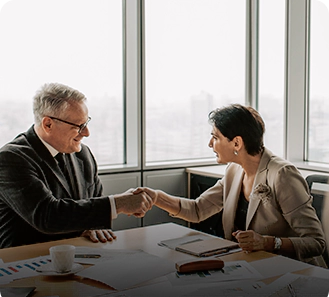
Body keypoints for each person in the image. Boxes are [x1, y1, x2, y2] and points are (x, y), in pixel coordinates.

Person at [136, 104, 327, 267]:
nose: (210, 144)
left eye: (216, 137)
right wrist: (156, 197)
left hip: (292, 273)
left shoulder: (282, 174)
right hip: (252, 268)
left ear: (236, 143)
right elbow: (197, 210)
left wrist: (267, 243)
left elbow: (316, 243)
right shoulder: (234, 170)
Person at [0, 83, 152, 249]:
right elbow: (47, 216)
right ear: (48, 124)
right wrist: (118, 204)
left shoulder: (83, 154)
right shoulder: (10, 159)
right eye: (79, 126)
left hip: (78, 256)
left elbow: (92, 206)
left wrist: (93, 227)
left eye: (86, 123)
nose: (86, 133)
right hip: (24, 262)